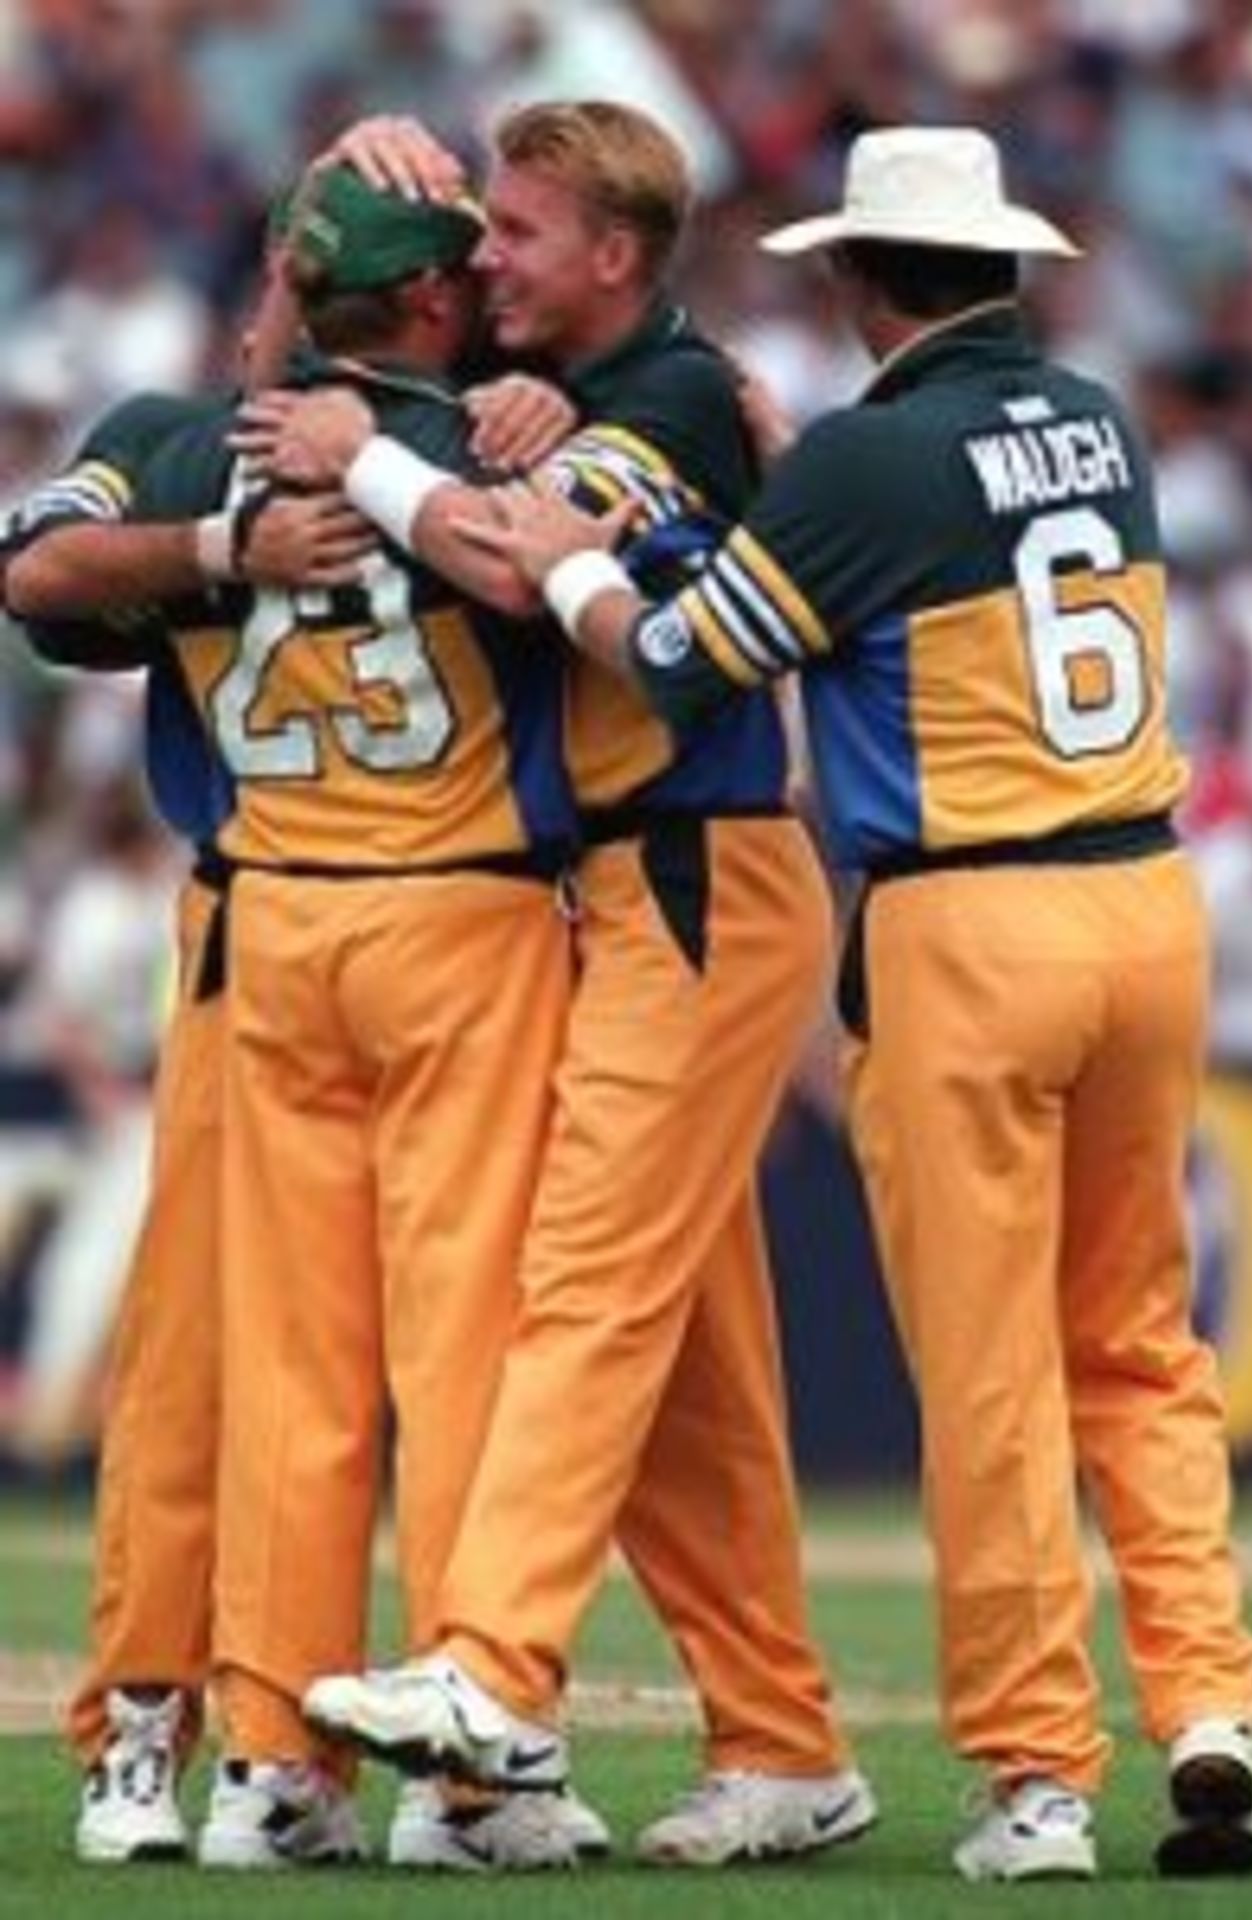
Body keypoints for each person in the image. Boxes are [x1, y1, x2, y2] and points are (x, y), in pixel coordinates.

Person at [434, 125, 1252, 1884]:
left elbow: (681, 660)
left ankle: (1041, 1781)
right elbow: (928, 543)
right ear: (1005, 266)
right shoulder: (1101, 420)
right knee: (1143, 1345)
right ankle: (1210, 1709)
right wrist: (792, 471)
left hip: (967, 927)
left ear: (858, 276)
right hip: (1147, 903)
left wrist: (567, 556)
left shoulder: (864, 461)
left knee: (991, 1379)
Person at [255, 101, 874, 1868]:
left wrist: (381, 451)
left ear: (614, 253)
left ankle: (493, 1669)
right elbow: (317, 388)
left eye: (517, 233)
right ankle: (784, 1747)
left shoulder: (677, 397)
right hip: (621, 885)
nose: (484, 258)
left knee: (585, 1280)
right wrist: (349, 214)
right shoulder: (567, 385)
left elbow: (523, 563)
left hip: (692, 872)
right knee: (690, 1367)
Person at [6, 165, 603, 1874]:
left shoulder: (178, 442)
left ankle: (270, 1760)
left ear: (292, 276)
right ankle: (466, 1777)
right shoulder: (481, 445)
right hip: (462, 911)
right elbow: (573, 572)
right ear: (427, 299)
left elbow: (32, 567)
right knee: (463, 1357)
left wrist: (215, 545)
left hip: (271, 918)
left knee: (283, 1374)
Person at [1, 382, 370, 1864]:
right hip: (282, 911)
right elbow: (33, 569)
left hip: (433, 921)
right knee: (197, 1354)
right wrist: (224, 542)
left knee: (403, 1362)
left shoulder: (466, 426)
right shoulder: (175, 435)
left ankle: (368, 1748)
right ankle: (157, 1720)